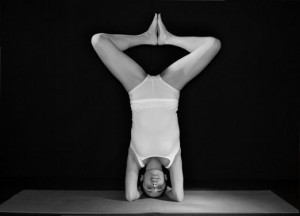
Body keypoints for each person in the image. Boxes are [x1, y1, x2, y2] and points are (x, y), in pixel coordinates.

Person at [91, 13, 221, 202]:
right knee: (213, 44)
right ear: (167, 182)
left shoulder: (136, 158)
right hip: (169, 92)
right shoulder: (173, 158)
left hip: (137, 92)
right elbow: (178, 196)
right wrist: (168, 191)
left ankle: (145, 38)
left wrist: (140, 194)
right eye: (159, 187)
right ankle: (169, 39)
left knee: (98, 40)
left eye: (149, 188)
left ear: (141, 180)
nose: (154, 184)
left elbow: (130, 196)